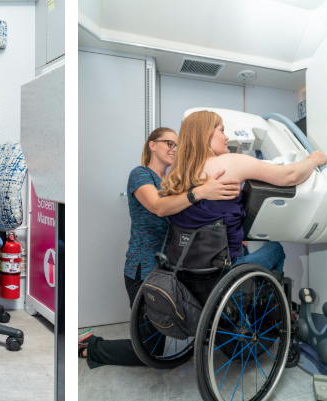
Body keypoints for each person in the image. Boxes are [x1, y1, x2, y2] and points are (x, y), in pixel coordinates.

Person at [81, 127, 241, 367]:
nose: (174, 149)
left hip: (171, 271)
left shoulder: (175, 182)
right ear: (151, 145)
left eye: (177, 145)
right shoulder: (140, 175)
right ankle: (91, 347)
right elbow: (158, 206)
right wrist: (199, 192)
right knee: (151, 351)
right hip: (143, 270)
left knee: (172, 333)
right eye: (168, 143)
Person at [161, 110, 327, 277]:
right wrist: (313, 160)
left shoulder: (178, 175)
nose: (226, 137)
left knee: (243, 245)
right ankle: (262, 299)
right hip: (224, 273)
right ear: (205, 135)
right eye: (222, 130)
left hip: (188, 272)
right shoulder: (229, 163)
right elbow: (289, 176)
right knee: (275, 248)